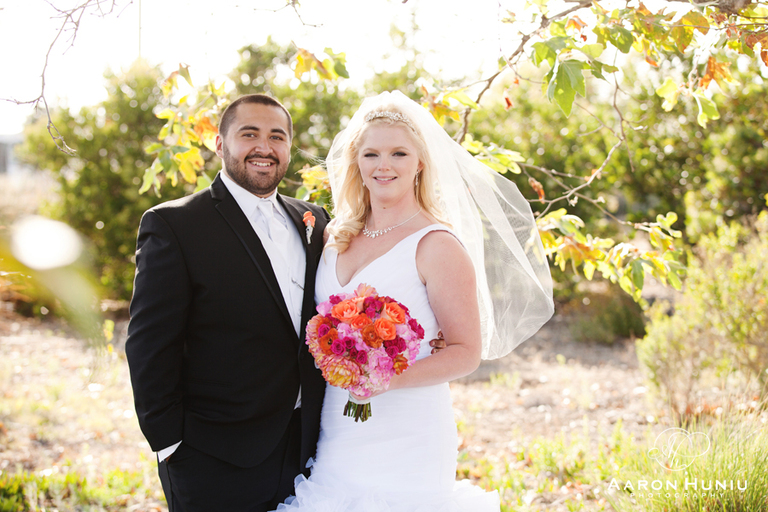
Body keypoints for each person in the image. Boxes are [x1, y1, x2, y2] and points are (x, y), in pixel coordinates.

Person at [276, 91, 554, 510]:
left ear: (420, 162)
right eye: (371, 154)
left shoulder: (437, 244)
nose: (383, 166)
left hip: (409, 429)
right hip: (337, 424)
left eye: (399, 153)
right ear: (356, 162)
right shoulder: (334, 237)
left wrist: (382, 378)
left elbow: (465, 352)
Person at [125, 94, 332, 511]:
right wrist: (170, 444)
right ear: (220, 144)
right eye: (248, 134)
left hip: (306, 447)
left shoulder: (314, 219)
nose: (264, 147)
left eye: (277, 136)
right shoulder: (174, 224)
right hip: (213, 454)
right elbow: (149, 345)